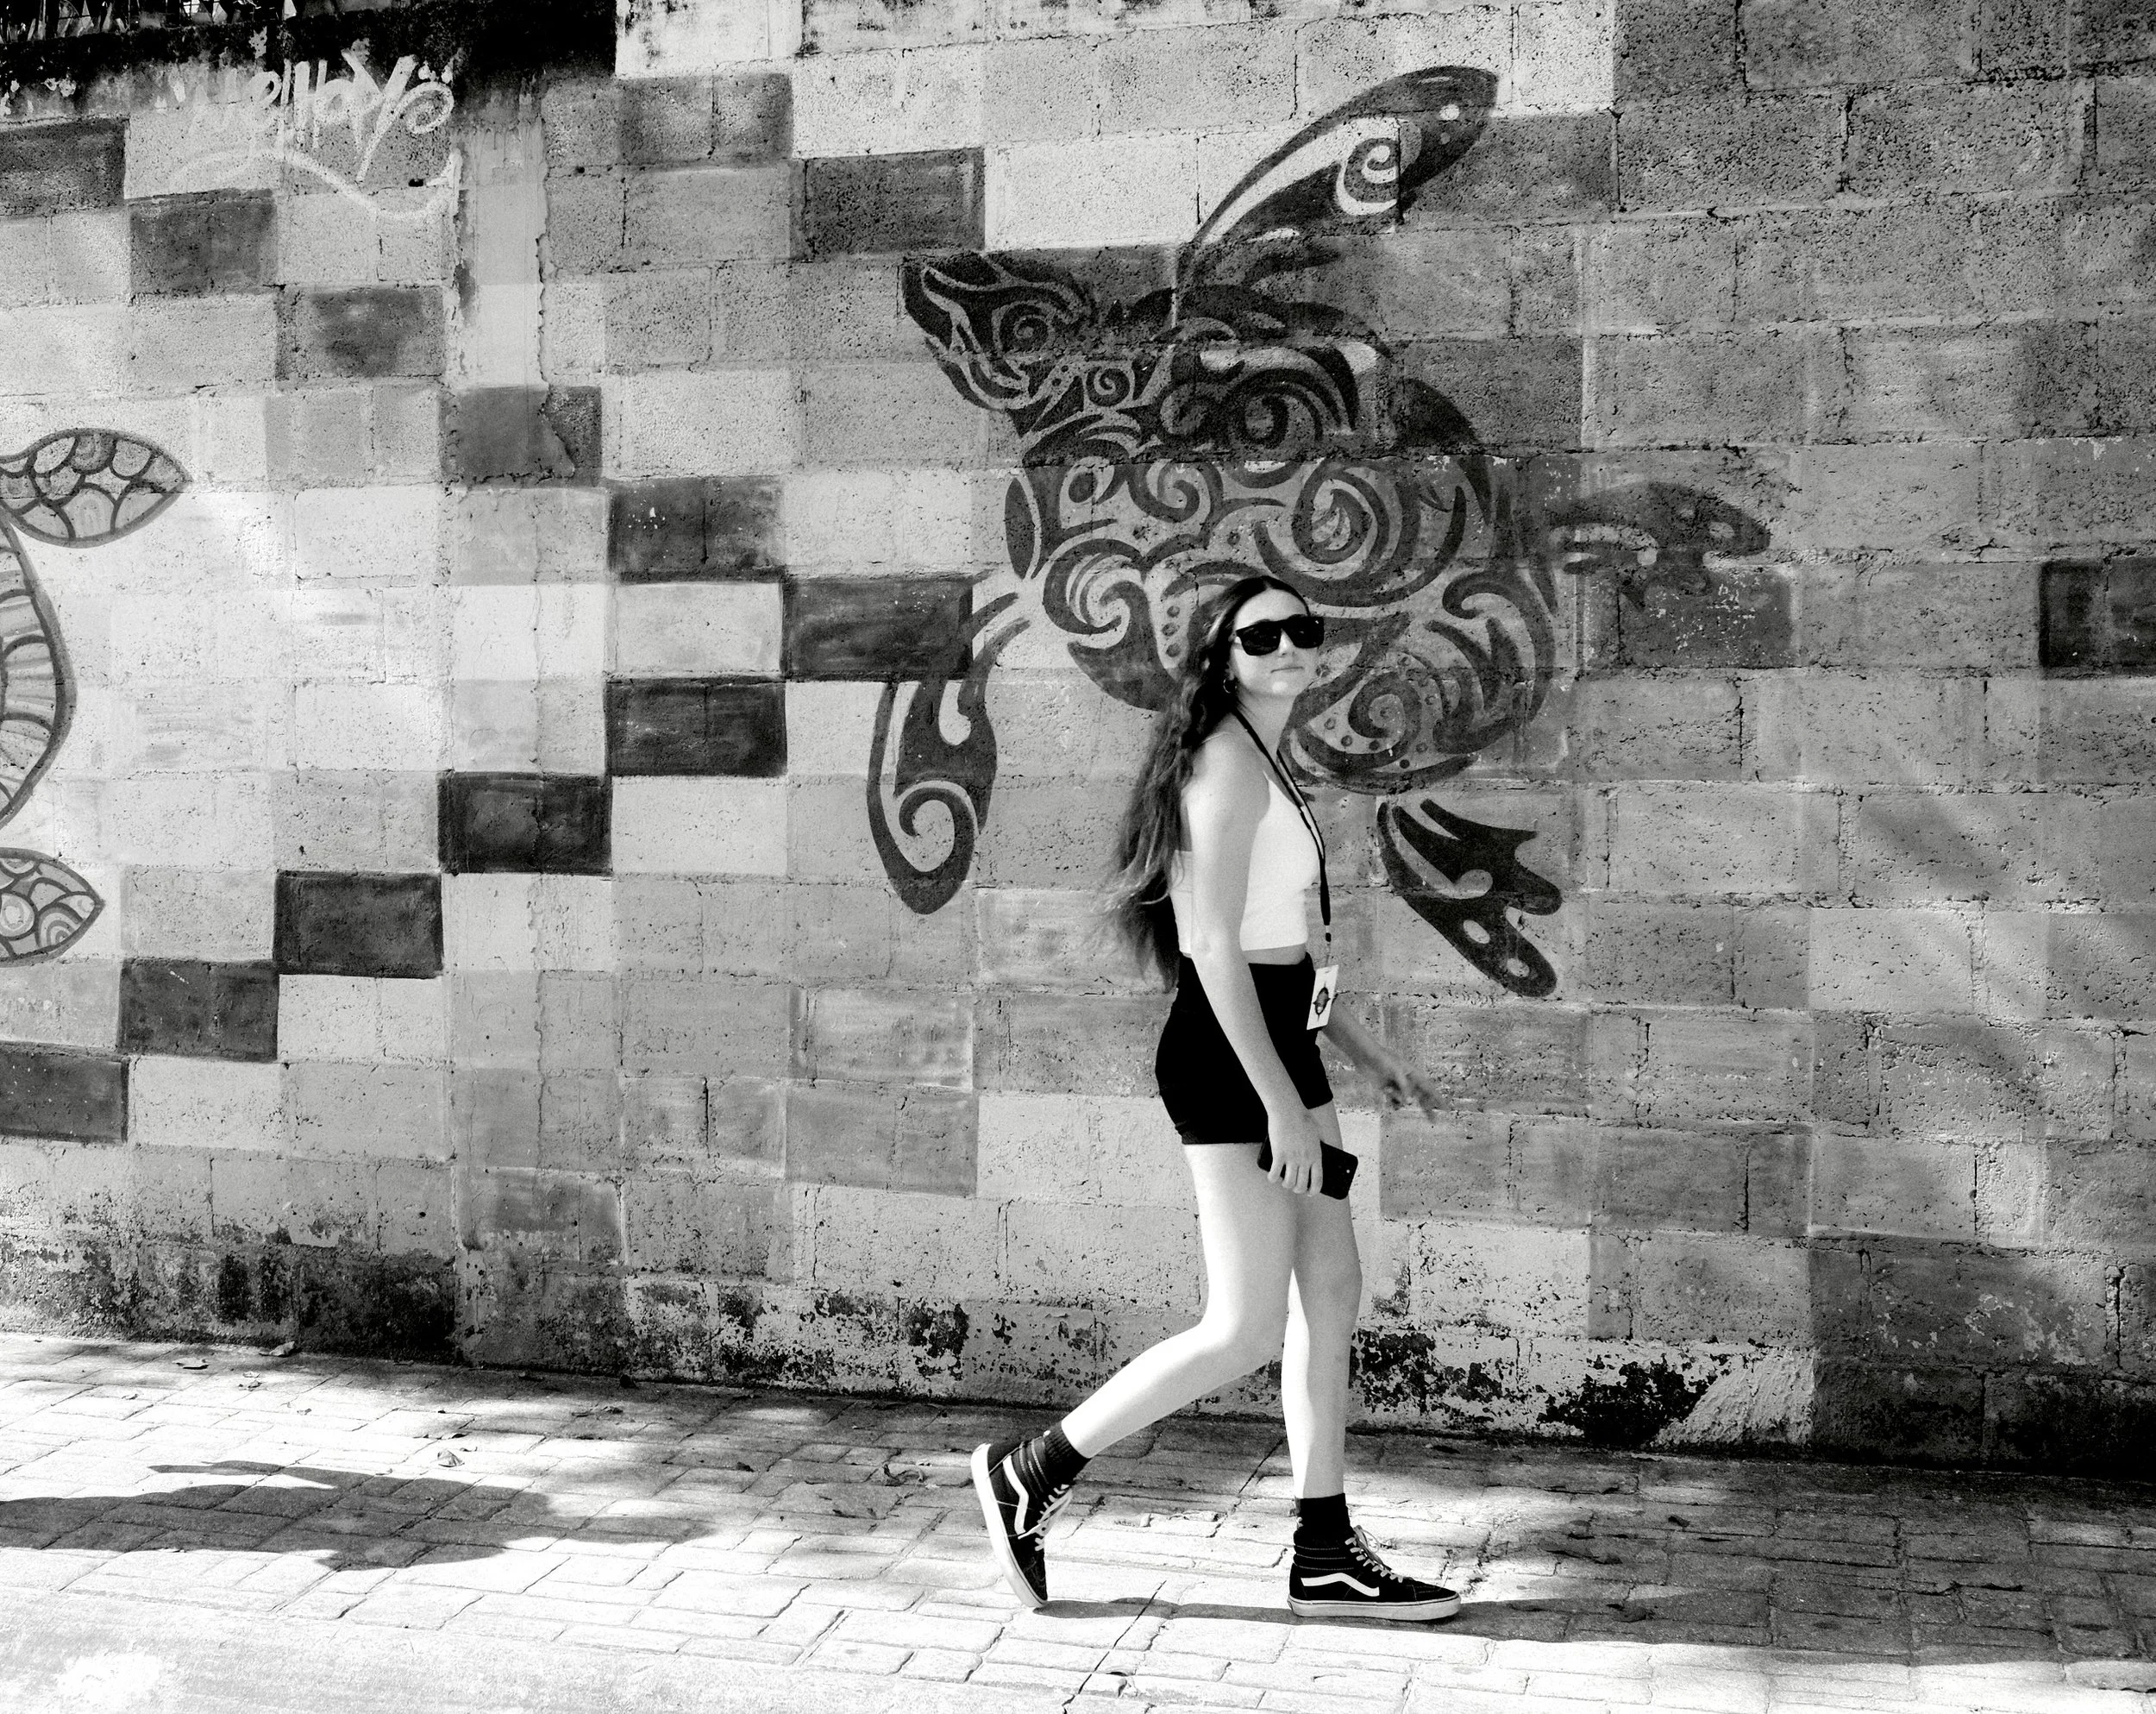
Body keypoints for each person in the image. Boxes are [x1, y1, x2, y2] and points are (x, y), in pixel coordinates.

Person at [969, 573, 1461, 1622]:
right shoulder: (1226, 764)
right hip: (1231, 1056)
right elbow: (1209, 947)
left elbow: (1288, 945)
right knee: (1242, 1324)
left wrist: (1360, 1051)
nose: (1288, 645)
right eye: (1261, 633)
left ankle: (1324, 1551)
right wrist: (1281, 1102)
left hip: (1284, 1041)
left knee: (1329, 1294)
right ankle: (1032, 1470)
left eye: (1302, 629)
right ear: (1221, 656)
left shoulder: (1269, 758)